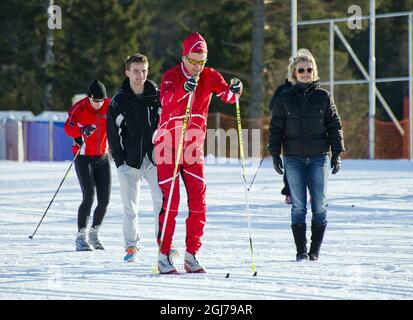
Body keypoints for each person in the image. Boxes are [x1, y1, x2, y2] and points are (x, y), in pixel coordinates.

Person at [153, 32, 243, 274]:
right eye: (193, 61)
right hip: (168, 146)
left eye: (201, 62)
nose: (197, 67)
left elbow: (227, 95)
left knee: (199, 203)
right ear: (184, 57)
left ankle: (191, 254)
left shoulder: (210, 75)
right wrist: (184, 88)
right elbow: (167, 100)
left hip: (192, 148)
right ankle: (163, 254)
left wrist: (236, 90)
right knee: (172, 202)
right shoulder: (171, 76)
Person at [268, 49, 345, 262]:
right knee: (299, 206)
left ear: (314, 72)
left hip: (319, 156)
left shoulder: (324, 97)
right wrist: (275, 154)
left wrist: (337, 153)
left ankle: (315, 251)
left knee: (319, 204)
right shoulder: (285, 99)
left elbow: (334, 125)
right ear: (294, 72)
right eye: (301, 69)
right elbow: (276, 129)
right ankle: (301, 251)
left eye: (309, 69)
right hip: (293, 158)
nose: (305, 73)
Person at [106, 53, 166, 262]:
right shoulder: (118, 102)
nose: (140, 75)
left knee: (162, 202)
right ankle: (131, 246)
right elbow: (113, 134)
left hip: (155, 160)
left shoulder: (157, 96)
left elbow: (166, 125)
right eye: (136, 71)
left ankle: (164, 244)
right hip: (129, 161)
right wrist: (120, 161)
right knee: (130, 207)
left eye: (144, 71)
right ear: (127, 73)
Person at [64, 79, 111, 251]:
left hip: (103, 157)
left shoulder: (109, 105)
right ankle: (81, 237)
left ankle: (94, 233)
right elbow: (68, 128)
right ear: (89, 97)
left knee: (104, 200)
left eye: (101, 100)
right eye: (95, 100)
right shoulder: (80, 107)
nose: (98, 104)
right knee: (89, 196)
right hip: (83, 157)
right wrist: (81, 130)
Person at [269, 79, 293, 204]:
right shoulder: (283, 88)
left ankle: (313, 193)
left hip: (308, 132)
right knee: (290, 164)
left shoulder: (310, 87)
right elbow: (271, 106)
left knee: (312, 164)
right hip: (288, 133)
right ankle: (289, 193)